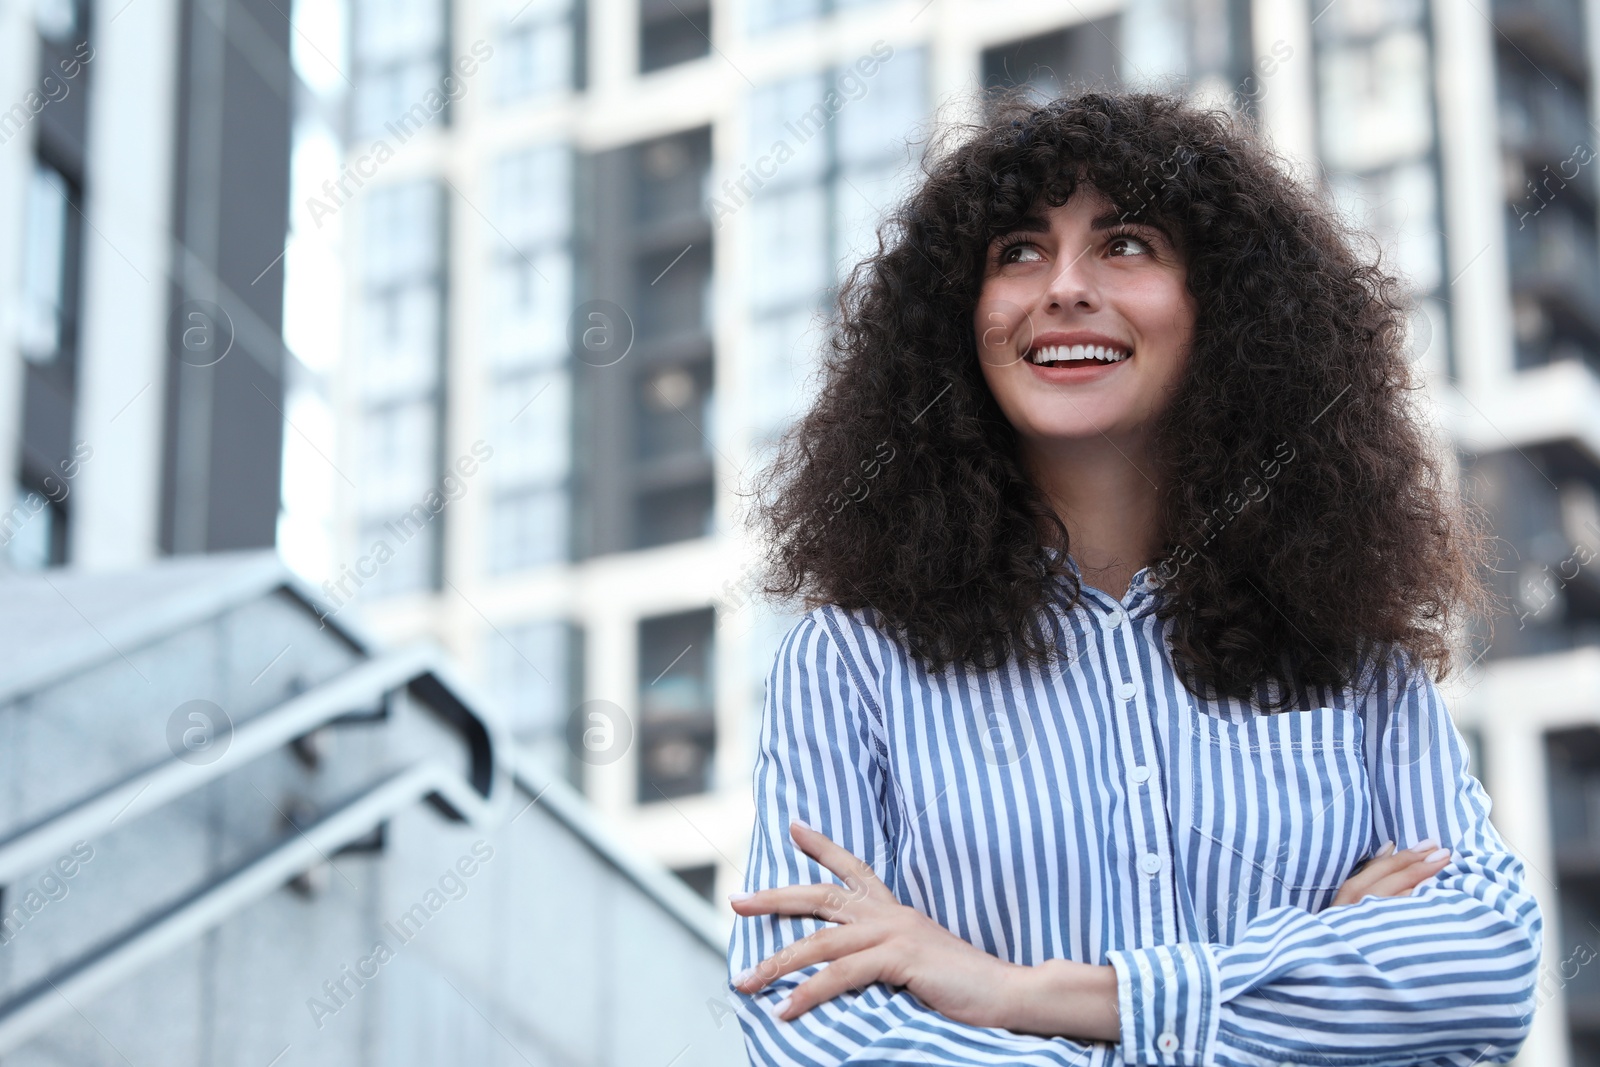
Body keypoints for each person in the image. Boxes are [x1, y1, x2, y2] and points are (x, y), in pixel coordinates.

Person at [723, 88, 1543, 1066]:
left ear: (1224, 307)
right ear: (959, 319)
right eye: (1017, 251)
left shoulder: (1344, 653)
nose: (1062, 287)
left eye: (1125, 244)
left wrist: (1023, 992)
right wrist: (1304, 975)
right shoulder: (854, 662)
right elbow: (816, 1029)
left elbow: (1484, 967)